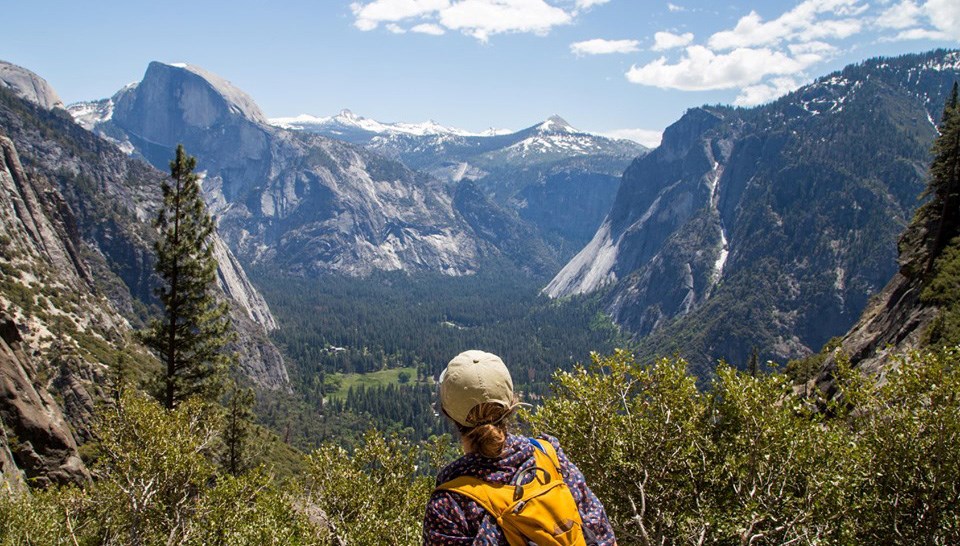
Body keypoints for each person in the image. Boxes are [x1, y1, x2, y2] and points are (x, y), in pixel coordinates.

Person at [422, 350, 617, 545]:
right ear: (511, 402)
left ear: (447, 413)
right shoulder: (548, 456)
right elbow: (601, 532)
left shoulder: (449, 503)